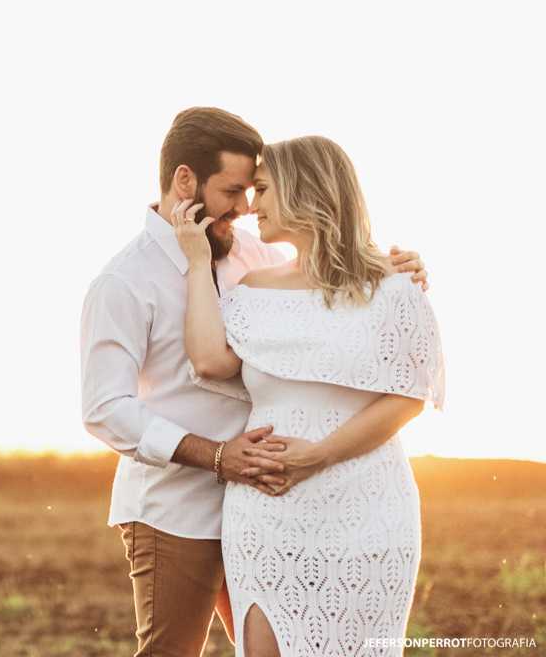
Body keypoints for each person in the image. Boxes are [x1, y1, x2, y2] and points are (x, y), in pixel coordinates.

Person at [79, 108, 427, 657]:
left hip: (272, 500)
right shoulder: (124, 281)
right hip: (179, 508)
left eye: (253, 191)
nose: (244, 208)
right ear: (185, 181)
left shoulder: (254, 254)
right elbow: (106, 409)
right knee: (172, 652)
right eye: (232, 191)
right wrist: (218, 457)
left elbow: (323, 286)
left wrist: (395, 267)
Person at [172, 135, 445, 657]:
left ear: (303, 189)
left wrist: (319, 454)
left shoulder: (394, 285)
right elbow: (208, 360)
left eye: (262, 189)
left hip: (368, 511)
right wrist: (197, 262)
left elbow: (407, 396)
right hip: (267, 512)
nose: (251, 205)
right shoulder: (254, 287)